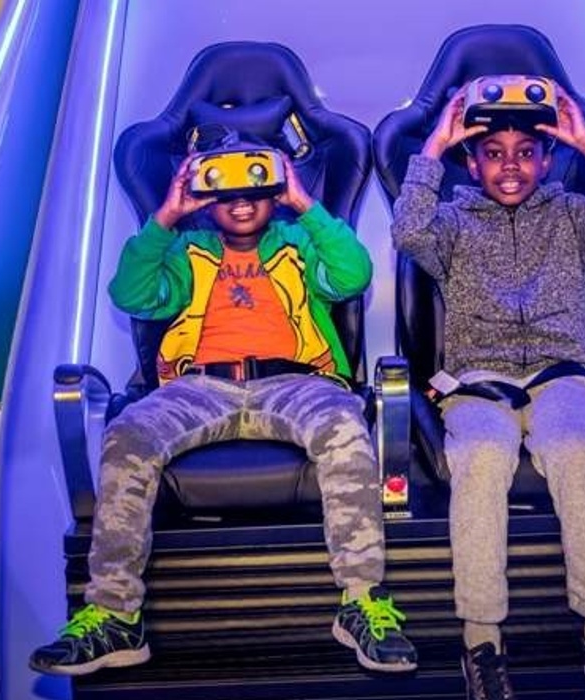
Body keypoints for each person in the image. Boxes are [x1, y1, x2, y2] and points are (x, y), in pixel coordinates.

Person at [30, 133, 417, 676]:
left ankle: (360, 600)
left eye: (255, 186)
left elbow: (353, 273)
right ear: (206, 197)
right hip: (200, 386)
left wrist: (303, 203)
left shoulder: (297, 242)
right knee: (129, 432)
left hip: (296, 382)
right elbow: (131, 294)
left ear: (275, 188)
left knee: (344, 428)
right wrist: (166, 216)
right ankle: (116, 615)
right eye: (224, 188)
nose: (240, 200)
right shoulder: (188, 251)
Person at [391, 85, 585, 700]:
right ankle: (481, 641)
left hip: (561, 374)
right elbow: (407, 232)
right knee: (480, 461)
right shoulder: (452, 223)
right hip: (477, 383)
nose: (509, 165)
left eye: (524, 153)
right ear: (472, 159)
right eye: (492, 151)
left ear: (546, 159)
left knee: (573, 452)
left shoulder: (572, 215)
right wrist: (436, 143)